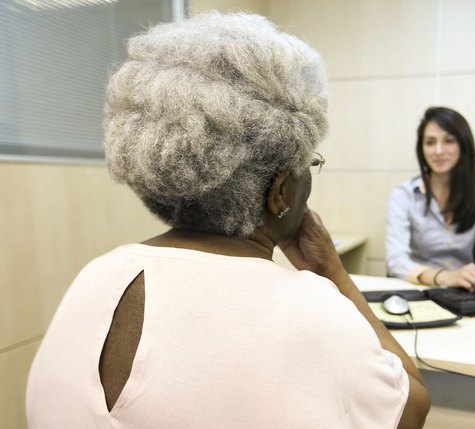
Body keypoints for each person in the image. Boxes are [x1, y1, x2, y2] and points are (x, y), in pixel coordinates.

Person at [26, 12, 430, 429]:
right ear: (281, 192)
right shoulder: (313, 311)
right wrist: (333, 272)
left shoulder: (95, 278)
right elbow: (412, 407)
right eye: (309, 164)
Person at [386, 107, 475, 292]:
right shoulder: (403, 195)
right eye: (430, 142)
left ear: (463, 145)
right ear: (422, 148)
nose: (438, 150)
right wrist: (446, 277)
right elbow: (396, 260)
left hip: (467, 290)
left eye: (449, 141)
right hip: (422, 289)